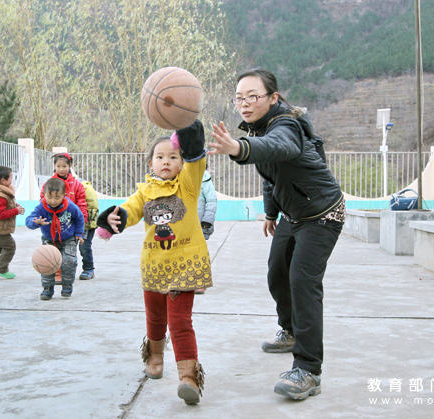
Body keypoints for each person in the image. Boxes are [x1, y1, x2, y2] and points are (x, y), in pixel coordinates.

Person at [208, 68, 345, 401]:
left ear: (273, 98)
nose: (245, 103)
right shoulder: (260, 127)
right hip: (293, 213)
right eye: (239, 97)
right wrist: (271, 212)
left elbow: (276, 148)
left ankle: (308, 370)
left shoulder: (286, 125)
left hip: (323, 213)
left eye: (253, 96)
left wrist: (240, 148)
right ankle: (290, 330)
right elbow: (272, 176)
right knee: (277, 272)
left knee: (302, 280)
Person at [96, 120, 212, 405]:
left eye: (173, 156)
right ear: (150, 163)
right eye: (160, 157)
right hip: (153, 265)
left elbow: (197, 158)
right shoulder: (145, 191)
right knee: (155, 318)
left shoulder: (188, 185)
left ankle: (189, 378)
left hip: (185, 266)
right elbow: (130, 210)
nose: (166, 161)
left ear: (182, 161)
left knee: (180, 321)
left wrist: (186, 127)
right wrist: (113, 218)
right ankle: (155, 356)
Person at [27, 177, 85, 300]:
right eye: (49, 196)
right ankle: (47, 288)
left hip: (68, 239)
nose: (53, 201)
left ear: (64, 195)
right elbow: (28, 221)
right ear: (44, 195)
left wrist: (79, 234)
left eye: (57, 197)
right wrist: (35, 222)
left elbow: (79, 217)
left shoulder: (70, 206)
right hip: (49, 240)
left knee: (69, 261)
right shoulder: (41, 208)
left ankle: (67, 285)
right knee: (45, 262)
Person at [41, 152, 88, 283]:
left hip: (70, 226)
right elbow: (42, 200)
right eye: (58, 166)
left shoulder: (77, 185)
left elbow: (82, 203)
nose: (61, 169)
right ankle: (57, 273)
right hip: (53, 224)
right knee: (54, 250)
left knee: (69, 252)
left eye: (64, 166)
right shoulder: (49, 183)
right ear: (54, 166)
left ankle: (67, 275)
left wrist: (82, 223)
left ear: (70, 166)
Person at [195, 165, 217, 294]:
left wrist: (207, 220)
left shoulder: (205, 179)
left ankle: (200, 281)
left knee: (199, 252)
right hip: (183, 223)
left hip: (200, 223)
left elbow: (211, 201)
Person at [79, 180, 99, 280]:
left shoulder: (81, 187)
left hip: (87, 223)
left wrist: (85, 225)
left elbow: (90, 207)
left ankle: (88, 269)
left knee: (84, 246)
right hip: (74, 222)